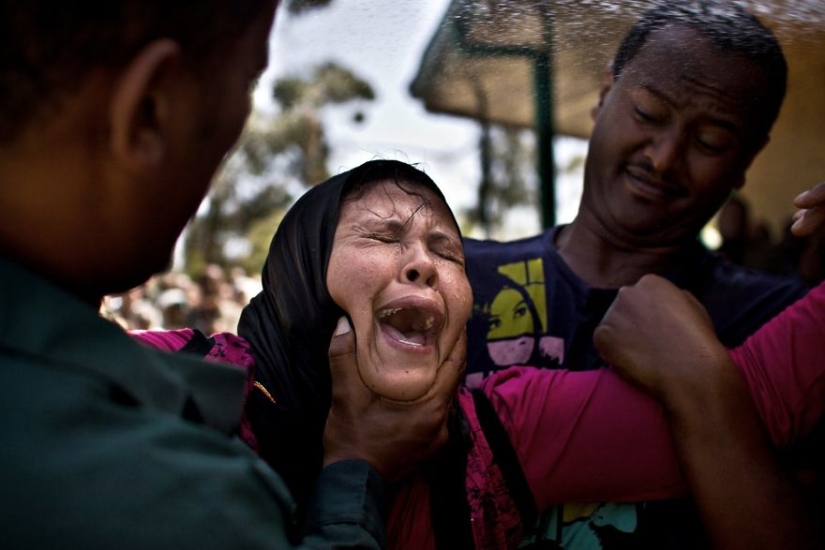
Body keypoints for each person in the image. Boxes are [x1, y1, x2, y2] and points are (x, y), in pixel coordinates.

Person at [135, 160, 825, 549]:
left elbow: (759, 393)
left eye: (447, 252)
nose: (422, 264)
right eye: (383, 236)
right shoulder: (176, 387)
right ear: (300, 268)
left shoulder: (498, 431)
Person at [0, 2, 464, 548]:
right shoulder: (179, 489)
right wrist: (356, 475)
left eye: (448, 250)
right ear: (149, 110)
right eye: (247, 83)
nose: (422, 264)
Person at [461, 1, 813, 546]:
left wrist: (701, 382)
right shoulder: (456, 282)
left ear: (746, 160)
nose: (666, 158)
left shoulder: (784, 326)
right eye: (649, 113)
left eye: (710, 142)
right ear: (605, 97)